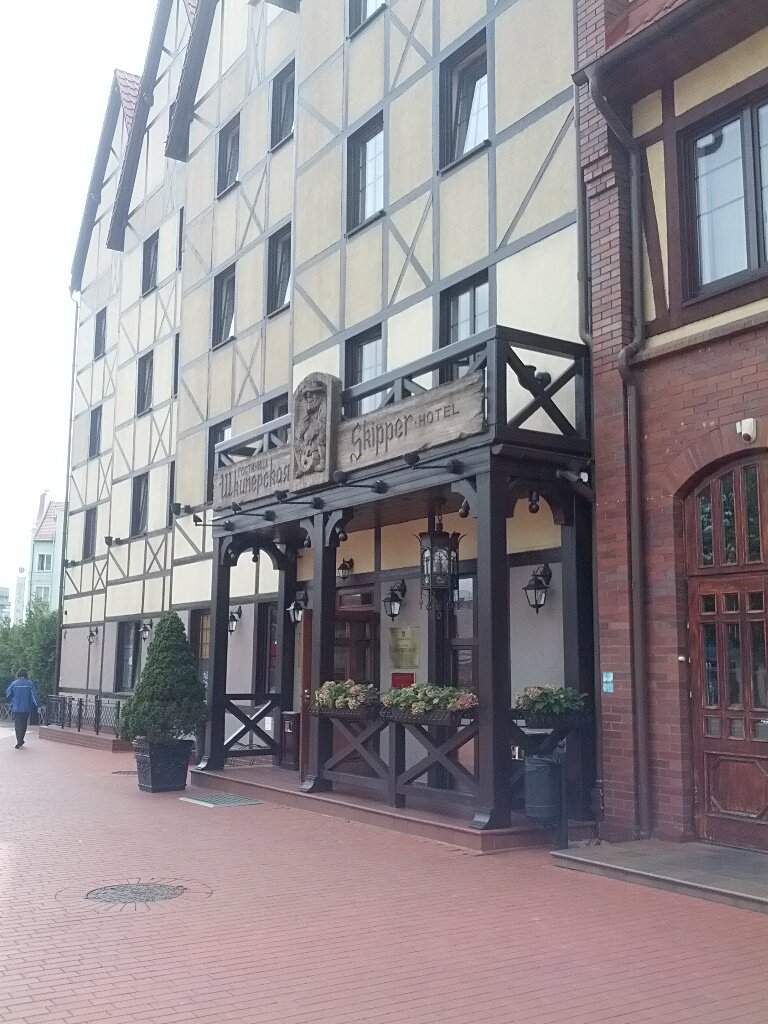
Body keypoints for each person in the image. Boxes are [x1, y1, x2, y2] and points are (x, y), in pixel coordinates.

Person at [6, 670, 39, 749]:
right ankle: (21, 739)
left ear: (18, 674)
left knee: (17, 724)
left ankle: (19, 740)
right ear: (26, 674)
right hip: (26, 707)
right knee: (24, 723)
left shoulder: (14, 683)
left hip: (16, 707)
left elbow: (8, 693)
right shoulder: (30, 684)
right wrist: (38, 705)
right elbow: (34, 696)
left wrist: (13, 699)